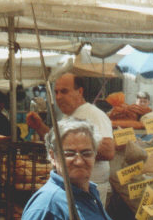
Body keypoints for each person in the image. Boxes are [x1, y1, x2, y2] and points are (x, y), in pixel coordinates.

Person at [26, 73, 115, 203]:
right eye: (56, 92)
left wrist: (74, 145)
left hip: (89, 192)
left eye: (64, 91)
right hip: (71, 189)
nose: (58, 97)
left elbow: (108, 151)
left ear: (80, 91)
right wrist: (39, 126)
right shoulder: (67, 117)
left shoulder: (93, 114)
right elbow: (57, 142)